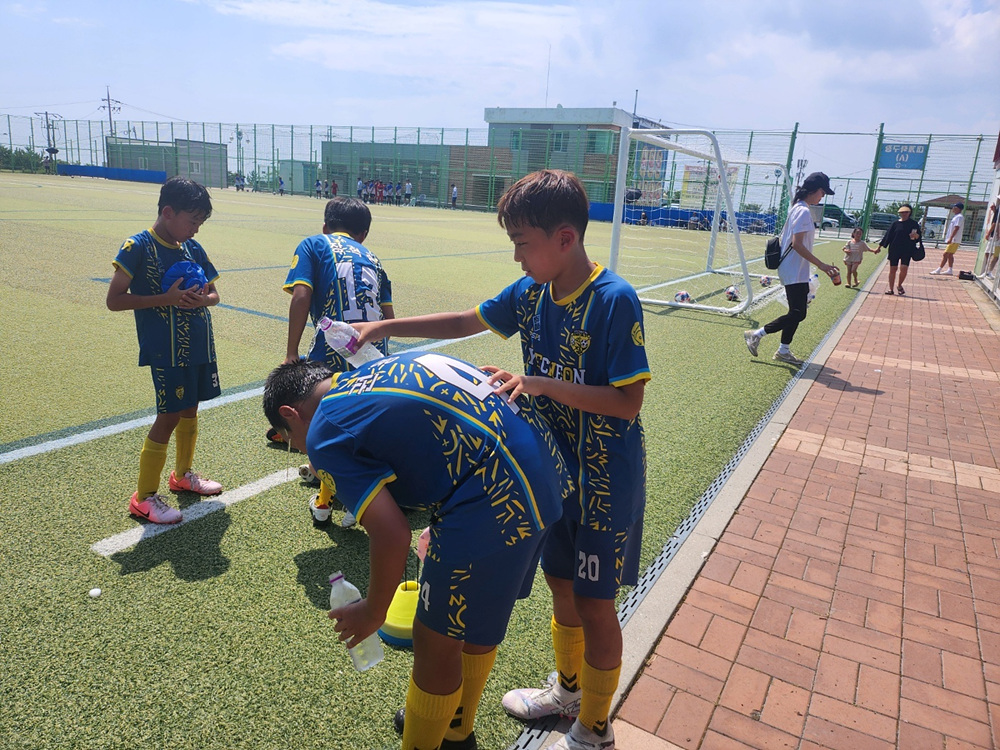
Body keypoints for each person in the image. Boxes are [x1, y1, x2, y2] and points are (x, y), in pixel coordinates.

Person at [353, 169, 651, 750]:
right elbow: (466, 322)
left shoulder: (613, 299)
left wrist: (538, 384)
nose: (517, 257)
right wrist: (384, 326)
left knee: (595, 603)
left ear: (565, 238)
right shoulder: (532, 293)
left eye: (522, 244)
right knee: (561, 585)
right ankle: (568, 691)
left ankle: (595, 727)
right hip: (551, 476)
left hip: (604, 481)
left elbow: (627, 402)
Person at [262, 352, 570, 750]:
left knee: (434, 642)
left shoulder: (324, 430)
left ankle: (436, 730)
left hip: (492, 492)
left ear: (291, 413)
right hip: (544, 469)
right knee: (474, 620)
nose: (301, 450)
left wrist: (374, 611)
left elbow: (392, 533)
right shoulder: (366, 374)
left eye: (291, 441)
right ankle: (456, 731)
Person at [106, 177, 223, 525]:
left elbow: (215, 295)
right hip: (166, 349)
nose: (196, 230)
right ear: (168, 212)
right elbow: (114, 300)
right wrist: (166, 299)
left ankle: (183, 475)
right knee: (169, 415)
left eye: (200, 223)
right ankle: (143, 497)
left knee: (190, 408)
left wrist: (203, 300)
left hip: (199, 345)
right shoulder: (137, 246)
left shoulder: (192, 249)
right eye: (193, 221)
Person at [281, 196, 394, 528]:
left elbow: (302, 295)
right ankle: (358, 496)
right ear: (363, 234)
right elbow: (389, 317)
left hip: (333, 347)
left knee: (328, 425)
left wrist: (291, 352)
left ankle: (326, 502)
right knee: (361, 424)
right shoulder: (373, 258)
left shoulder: (314, 244)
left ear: (325, 226)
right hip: (373, 352)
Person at [743, 172, 838, 366]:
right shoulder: (803, 211)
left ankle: (783, 350)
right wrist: (822, 265)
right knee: (798, 313)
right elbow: (797, 244)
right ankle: (756, 335)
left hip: (796, 269)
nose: (822, 196)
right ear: (814, 190)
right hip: (794, 270)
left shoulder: (799, 208)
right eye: (822, 192)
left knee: (797, 311)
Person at [875, 203, 922, 295]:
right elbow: (887, 236)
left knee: (904, 268)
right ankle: (891, 289)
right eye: (902, 212)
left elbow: (918, 237)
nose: (904, 214)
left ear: (909, 213)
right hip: (894, 248)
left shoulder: (914, 224)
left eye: (906, 212)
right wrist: (879, 247)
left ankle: (899, 285)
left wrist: (916, 236)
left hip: (907, 249)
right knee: (893, 269)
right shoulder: (895, 224)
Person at [931, 202, 965, 275]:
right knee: (950, 255)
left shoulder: (959, 217)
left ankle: (939, 270)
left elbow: (956, 228)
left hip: (954, 239)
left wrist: (951, 238)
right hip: (954, 239)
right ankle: (950, 270)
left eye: (954, 207)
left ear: (958, 208)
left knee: (945, 254)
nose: (953, 208)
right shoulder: (956, 217)